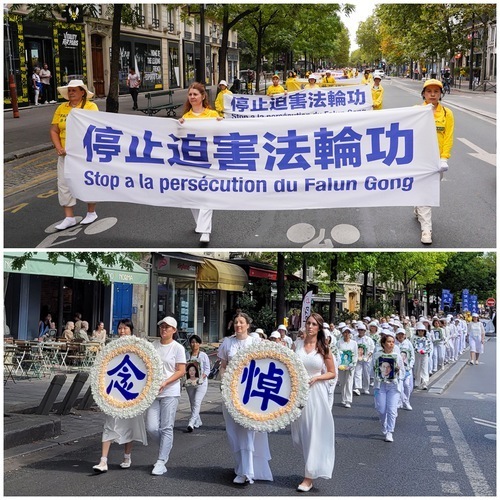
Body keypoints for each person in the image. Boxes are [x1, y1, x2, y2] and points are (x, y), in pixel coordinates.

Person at [217, 312, 273, 485]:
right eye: (236, 322)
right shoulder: (228, 343)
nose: (238, 325)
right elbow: (223, 366)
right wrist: (225, 383)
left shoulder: (255, 342)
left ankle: (247, 472)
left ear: (248, 325)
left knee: (248, 431)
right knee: (233, 432)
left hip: (250, 393)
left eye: (241, 322)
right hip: (231, 392)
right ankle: (240, 465)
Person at [93, 319, 148, 472]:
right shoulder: (112, 347)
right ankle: (103, 461)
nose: (122, 331)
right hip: (114, 394)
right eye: (120, 328)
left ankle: (127, 456)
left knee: (129, 426)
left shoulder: (139, 347)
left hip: (132, 395)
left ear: (131, 330)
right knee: (109, 425)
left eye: (125, 328)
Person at [291, 312, 335, 492]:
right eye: (308, 323)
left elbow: (332, 372)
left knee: (313, 433)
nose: (310, 327)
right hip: (298, 393)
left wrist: (317, 378)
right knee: (300, 436)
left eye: (314, 324)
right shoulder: (297, 345)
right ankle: (311, 467)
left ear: (319, 328)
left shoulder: (323, 348)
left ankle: (308, 477)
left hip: (316, 394)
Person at [50, 79, 99, 230]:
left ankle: (91, 212)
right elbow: (54, 130)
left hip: (84, 154)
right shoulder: (61, 108)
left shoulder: (91, 107)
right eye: (69, 91)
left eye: (74, 90)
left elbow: (96, 129)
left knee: (87, 181)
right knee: (64, 183)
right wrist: (58, 147)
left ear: (82, 92)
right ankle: (69, 217)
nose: (71, 93)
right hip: (65, 154)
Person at [178, 82, 222, 243]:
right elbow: (177, 138)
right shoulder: (185, 118)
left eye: (195, 94)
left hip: (209, 160)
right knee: (191, 196)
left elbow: (220, 134)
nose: (192, 97)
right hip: (189, 162)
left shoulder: (212, 115)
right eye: (190, 95)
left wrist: (221, 123)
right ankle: (200, 224)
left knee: (207, 195)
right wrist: (178, 127)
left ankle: (205, 230)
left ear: (203, 96)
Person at [415, 78, 454, 244]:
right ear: (423, 94)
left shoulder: (447, 114)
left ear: (440, 94)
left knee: (425, 192)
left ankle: (418, 209)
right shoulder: (416, 111)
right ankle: (426, 229)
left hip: (437, 161)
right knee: (426, 193)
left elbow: (448, 137)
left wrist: (444, 158)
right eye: (429, 91)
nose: (432, 94)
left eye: (436, 91)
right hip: (419, 159)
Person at [146, 316, 186, 476]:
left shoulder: (178, 348)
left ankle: (161, 461)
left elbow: (181, 370)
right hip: (153, 392)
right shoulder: (152, 346)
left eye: (167, 327)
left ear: (174, 330)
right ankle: (166, 446)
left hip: (170, 391)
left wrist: (165, 382)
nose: (163, 329)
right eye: (162, 326)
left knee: (166, 427)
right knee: (151, 427)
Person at [373, 333, 405, 442]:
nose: (391, 344)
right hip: (380, 386)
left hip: (393, 386)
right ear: (383, 343)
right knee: (381, 410)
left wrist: (398, 370)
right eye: (388, 342)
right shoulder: (377, 355)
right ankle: (384, 425)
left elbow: (402, 372)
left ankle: (390, 431)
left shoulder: (397, 356)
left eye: (392, 342)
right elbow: (372, 370)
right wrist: (377, 373)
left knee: (392, 410)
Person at [185, 334, 211, 432]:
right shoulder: (187, 355)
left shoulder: (203, 355)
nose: (194, 344)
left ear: (199, 344)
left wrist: (202, 378)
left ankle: (191, 422)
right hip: (190, 383)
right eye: (192, 342)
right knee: (192, 402)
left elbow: (207, 370)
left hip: (201, 383)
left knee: (197, 401)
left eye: (196, 342)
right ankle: (198, 420)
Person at [337, 327, 358, 408]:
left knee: (349, 381)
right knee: (343, 382)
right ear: (342, 334)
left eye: (348, 333)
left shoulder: (354, 343)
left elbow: (355, 355)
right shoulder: (339, 342)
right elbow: (338, 354)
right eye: (345, 332)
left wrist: (353, 364)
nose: (346, 334)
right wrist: (339, 364)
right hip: (342, 365)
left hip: (350, 365)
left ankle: (348, 400)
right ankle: (343, 398)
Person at [353, 321, 375, 395]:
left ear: (365, 331)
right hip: (357, 358)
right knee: (357, 373)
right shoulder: (354, 338)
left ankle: (366, 388)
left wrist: (368, 356)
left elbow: (372, 349)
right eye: (359, 330)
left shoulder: (369, 339)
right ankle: (357, 388)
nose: (360, 331)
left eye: (362, 330)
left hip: (366, 359)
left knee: (366, 374)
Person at [412, 322, 432, 390]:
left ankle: (424, 383)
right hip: (417, 355)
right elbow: (412, 346)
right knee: (417, 368)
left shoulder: (426, 338)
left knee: (424, 369)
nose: (421, 332)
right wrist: (417, 351)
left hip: (424, 355)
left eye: (422, 331)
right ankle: (417, 382)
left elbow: (429, 346)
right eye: (419, 330)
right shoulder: (414, 338)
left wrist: (425, 351)